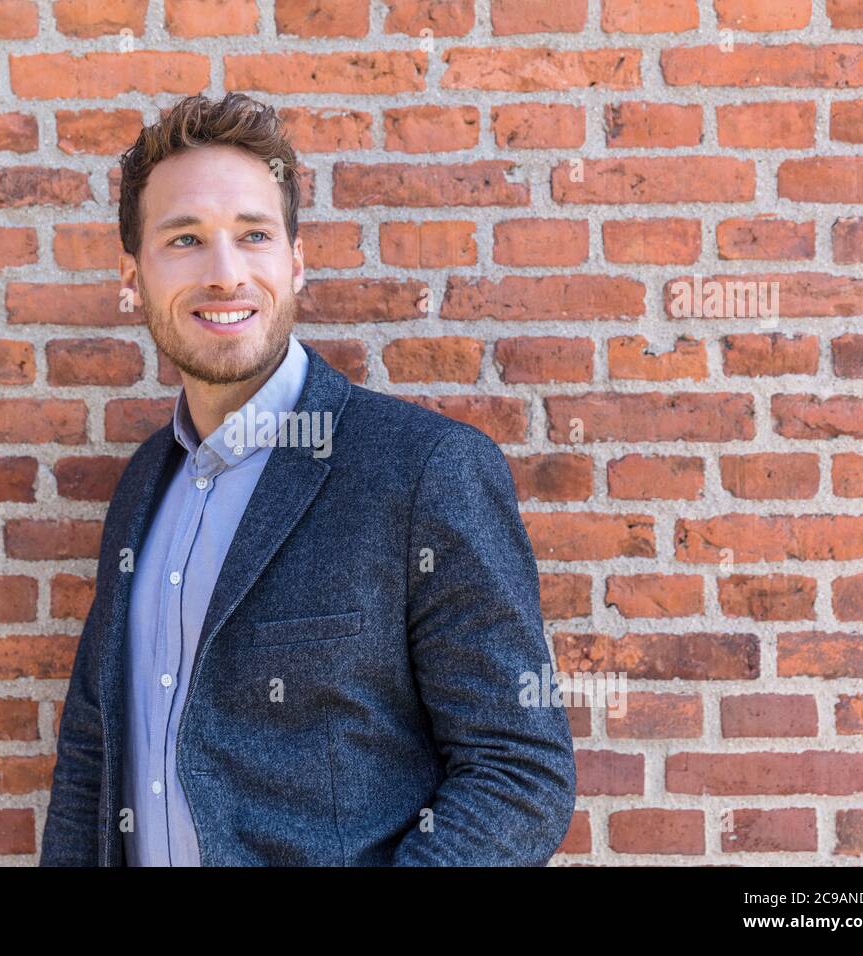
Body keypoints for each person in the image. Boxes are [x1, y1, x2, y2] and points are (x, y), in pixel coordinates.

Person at [40, 92, 576, 866]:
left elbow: (520, 770)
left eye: (253, 235)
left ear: (295, 262)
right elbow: (93, 756)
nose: (225, 275)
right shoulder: (142, 489)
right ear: (134, 276)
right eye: (185, 239)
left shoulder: (421, 470)